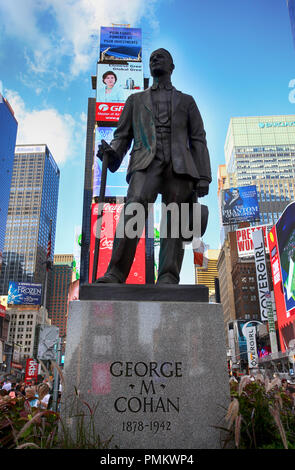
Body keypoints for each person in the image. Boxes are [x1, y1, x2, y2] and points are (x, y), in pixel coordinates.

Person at [96, 48, 211, 285]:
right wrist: (113, 152)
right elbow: (122, 136)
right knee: (133, 209)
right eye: (152, 58)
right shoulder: (135, 100)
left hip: (180, 167)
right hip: (145, 162)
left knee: (174, 218)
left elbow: (198, 138)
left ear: (172, 66)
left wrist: (204, 177)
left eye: (161, 57)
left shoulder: (187, 101)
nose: (154, 59)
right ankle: (115, 273)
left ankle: (168, 275)